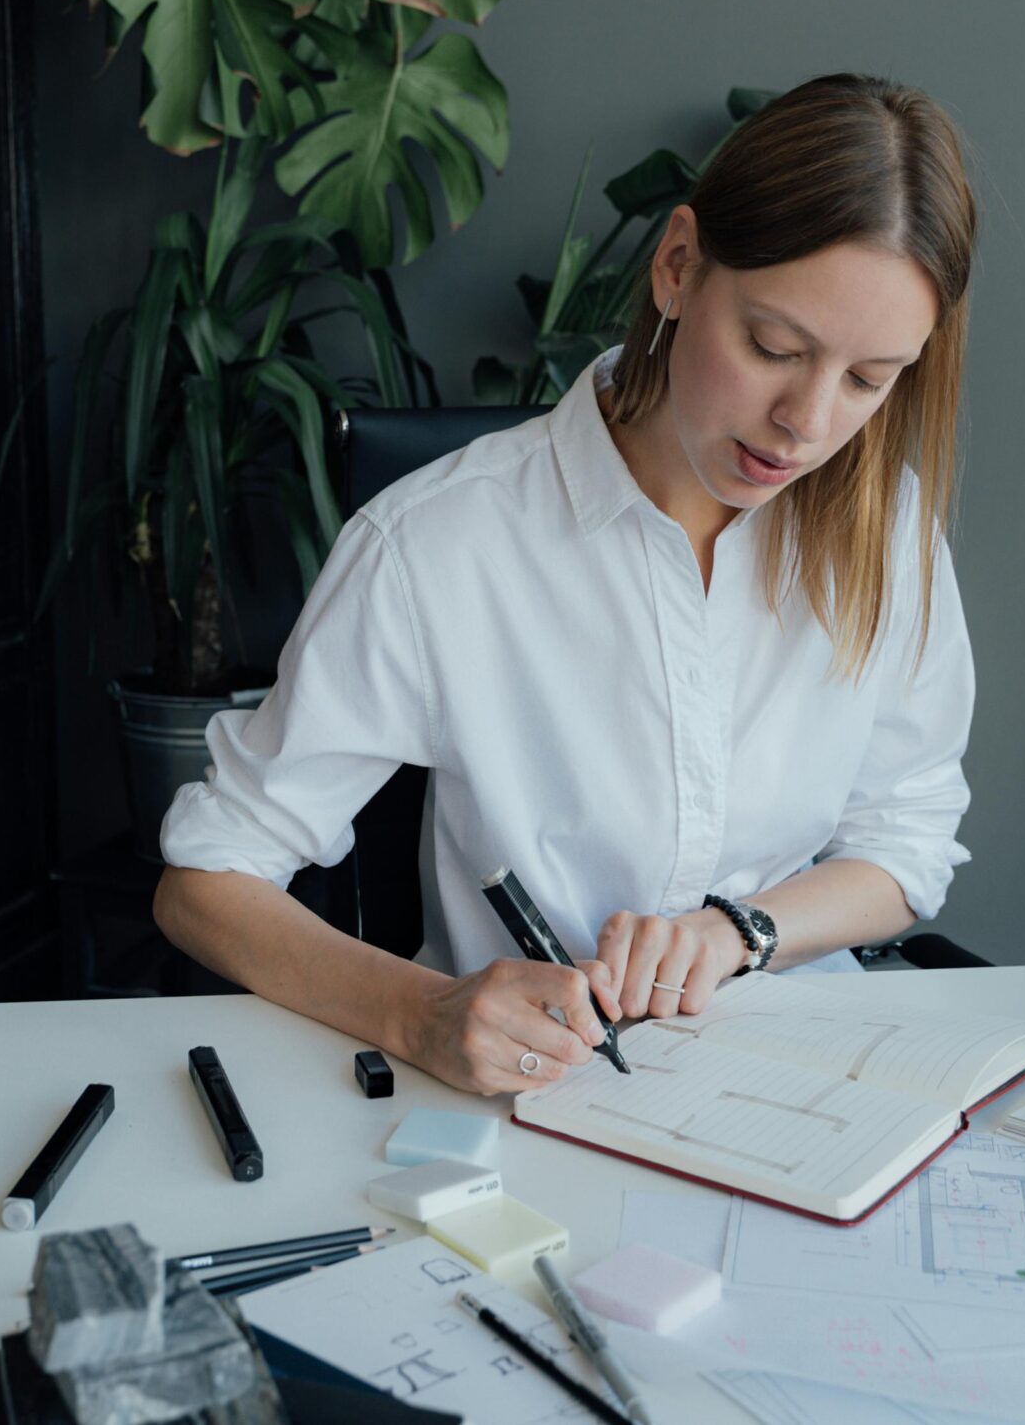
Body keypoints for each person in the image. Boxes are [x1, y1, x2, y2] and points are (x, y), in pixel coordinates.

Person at [155, 73, 979, 1096]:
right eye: (775, 347)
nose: (807, 423)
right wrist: (420, 1013)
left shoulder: (884, 530)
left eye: (868, 378)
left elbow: (905, 841)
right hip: (527, 1099)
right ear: (677, 269)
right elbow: (206, 882)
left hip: (809, 1085)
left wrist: (738, 932)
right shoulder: (438, 546)